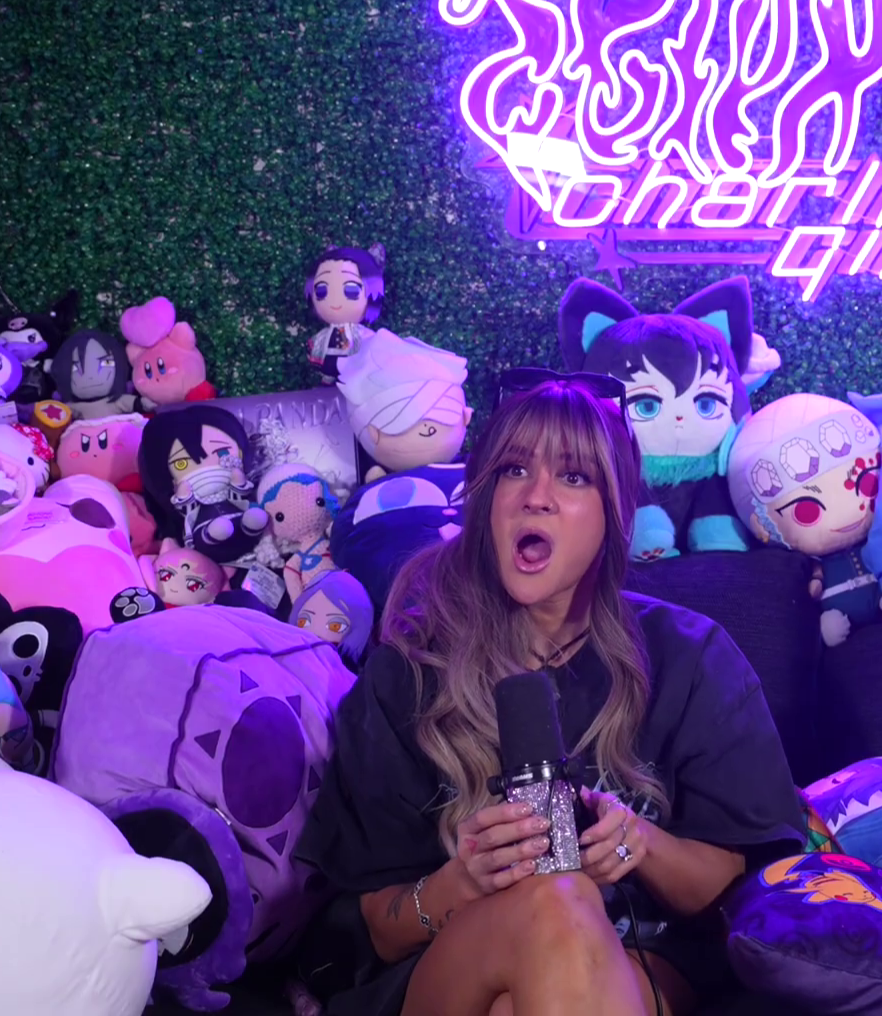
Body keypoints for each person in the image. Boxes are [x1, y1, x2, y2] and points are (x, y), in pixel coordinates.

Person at [297, 372, 806, 1016]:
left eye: (573, 477)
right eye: (513, 470)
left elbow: (740, 891)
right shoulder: (411, 671)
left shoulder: (690, 656)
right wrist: (462, 882)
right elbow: (377, 928)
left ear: (614, 512)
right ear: (485, 500)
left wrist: (641, 845)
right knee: (555, 905)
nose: (535, 497)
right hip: (453, 968)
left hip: (638, 966)